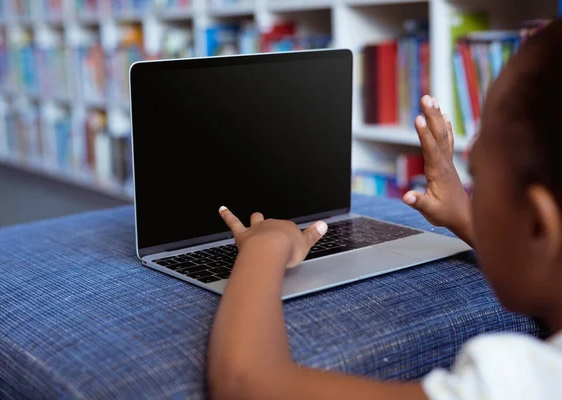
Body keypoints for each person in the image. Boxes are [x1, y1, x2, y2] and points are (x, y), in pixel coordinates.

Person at [207, 20, 562, 400]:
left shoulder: (517, 383)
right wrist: (464, 215)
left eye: (475, 173)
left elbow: (244, 383)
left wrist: (267, 246)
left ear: (538, 227)